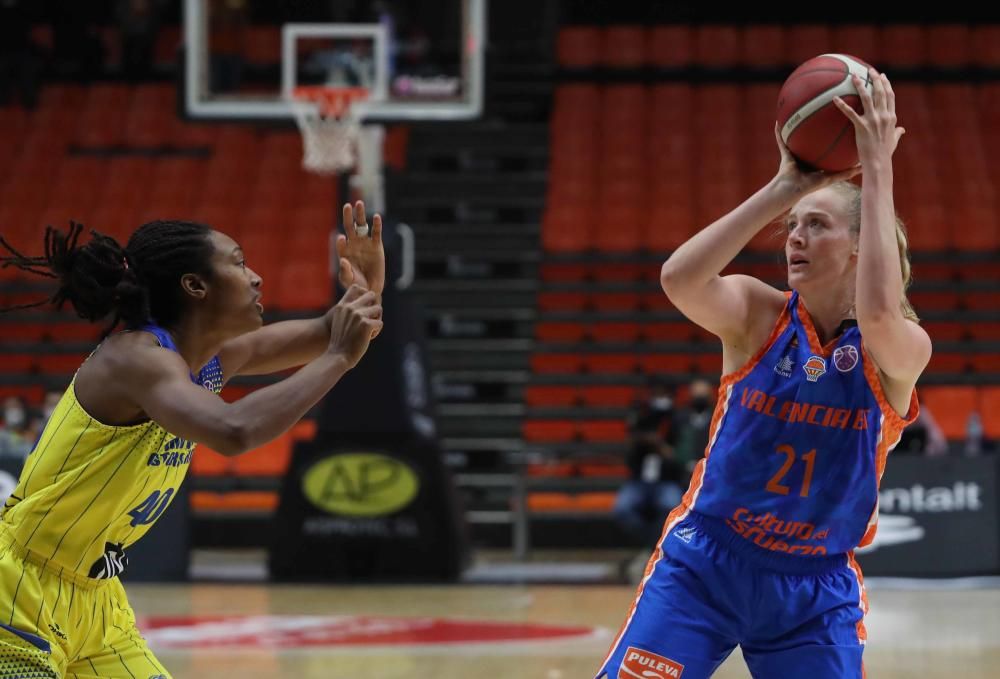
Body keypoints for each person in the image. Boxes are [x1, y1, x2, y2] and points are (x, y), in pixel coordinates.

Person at [597, 68, 930, 679]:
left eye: (817, 225)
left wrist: (877, 168)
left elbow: (879, 309)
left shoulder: (901, 348)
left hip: (815, 588)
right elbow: (679, 280)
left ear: (862, 245)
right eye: (792, 227)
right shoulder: (760, 315)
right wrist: (785, 188)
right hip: (705, 563)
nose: (794, 238)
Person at [0, 201, 385, 677]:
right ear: (195, 285)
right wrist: (338, 360)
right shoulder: (137, 359)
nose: (257, 277)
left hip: (96, 601)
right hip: (18, 590)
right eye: (240, 262)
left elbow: (332, 331)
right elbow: (234, 430)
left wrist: (367, 293)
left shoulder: (208, 361)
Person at [614, 379, 683, 547]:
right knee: (622, 508)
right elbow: (629, 452)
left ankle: (657, 545)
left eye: (663, 393)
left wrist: (660, 446)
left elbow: (680, 457)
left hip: (666, 481)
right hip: (639, 481)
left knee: (672, 508)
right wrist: (643, 440)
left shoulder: (677, 420)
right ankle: (651, 543)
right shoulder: (643, 417)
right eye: (656, 393)